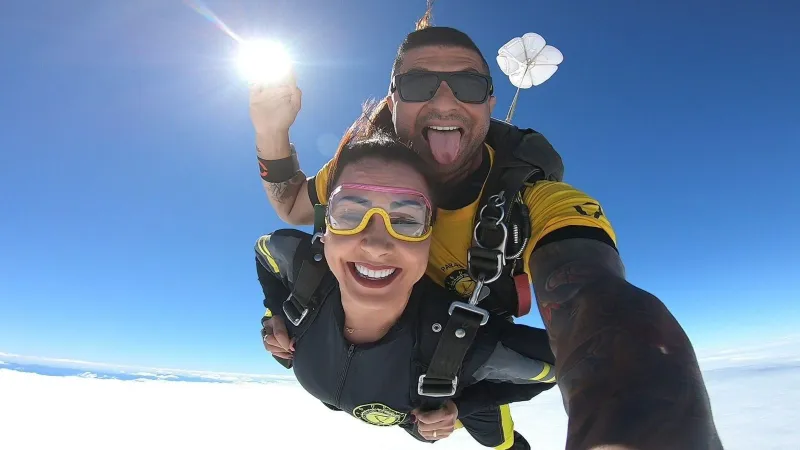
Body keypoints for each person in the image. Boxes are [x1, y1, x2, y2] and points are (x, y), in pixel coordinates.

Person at [248, 16, 723, 449]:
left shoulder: (530, 203)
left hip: (460, 350)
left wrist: (464, 406)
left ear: (492, 102)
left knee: (496, 439)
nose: (443, 101)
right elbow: (292, 206)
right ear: (393, 101)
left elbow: (594, 302)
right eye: (418, 84)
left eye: (468, 86)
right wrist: (271, 130)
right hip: (379, 326)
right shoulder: (369, 174)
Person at [257, 125, 557, 450]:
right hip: (414, 401)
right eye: (350, 213)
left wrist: (461, 408)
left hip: (440, 400)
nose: (375, 244)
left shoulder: (461, 344)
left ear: (429, 237)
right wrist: (275, 312)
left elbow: (559, 369)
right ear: (324, 226)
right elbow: (263, 254)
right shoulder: (304, 278)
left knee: (501, 443)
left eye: (406, 219)